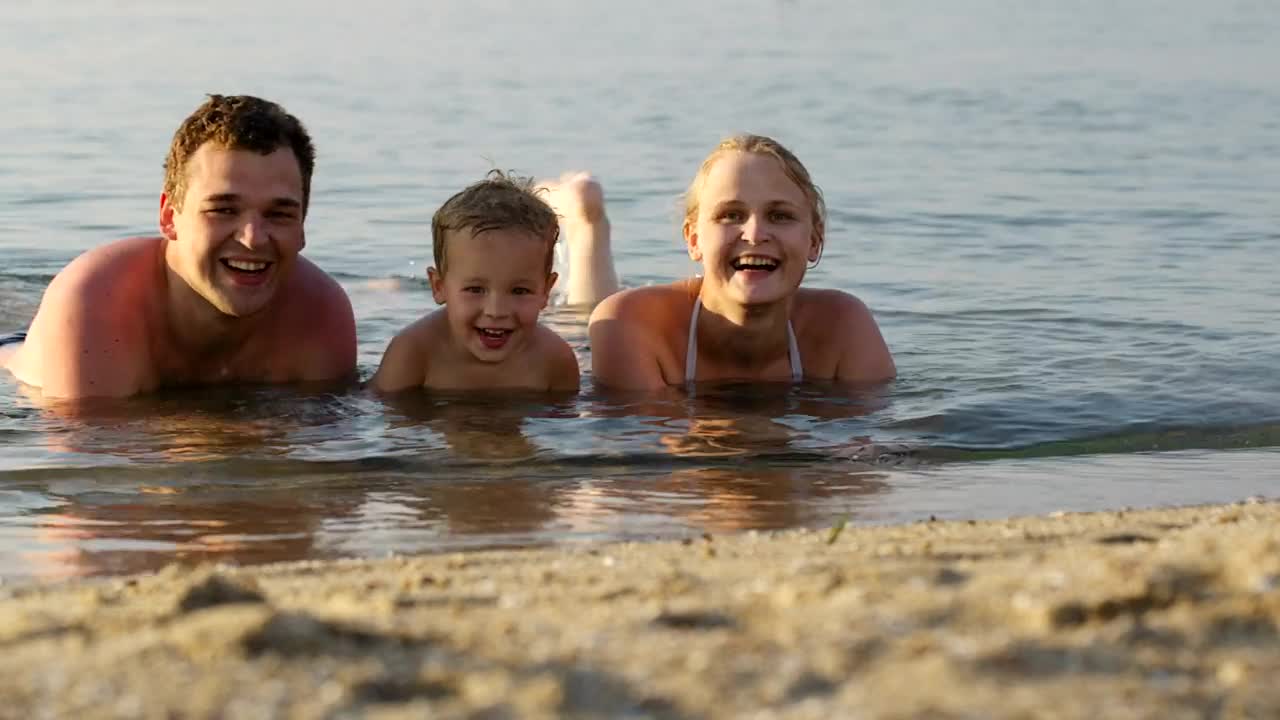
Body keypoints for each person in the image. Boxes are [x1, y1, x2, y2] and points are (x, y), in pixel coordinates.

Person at [1, 94, 357, 399]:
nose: (253, 238)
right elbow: (89, 465)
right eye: (223, 210)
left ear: (303, 226)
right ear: (170, 216)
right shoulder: (95, 300)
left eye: (279, 214)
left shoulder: (322, 312)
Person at [587, 134, 896, 389]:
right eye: (731, 215)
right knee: (585, 307)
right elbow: (640, 455)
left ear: (814, 241)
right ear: (694, 240)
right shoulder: (630, 323)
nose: (755, 233)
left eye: (780, 216)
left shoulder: (843, 325)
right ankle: (588, 225)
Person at [370, 171, 580, 393]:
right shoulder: (414, 352)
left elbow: (562, 422)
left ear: (546, 291)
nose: (496, 311)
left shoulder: (555, 360)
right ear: (439, 287)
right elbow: (386, 418)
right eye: (476, 289)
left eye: (519, 291)